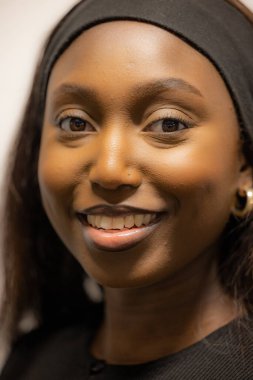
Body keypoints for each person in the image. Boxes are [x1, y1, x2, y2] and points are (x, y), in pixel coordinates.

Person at [0, 0, 253, 378]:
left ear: (245, 166)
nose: (110, 170)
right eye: (74, 123)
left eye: (167, 124)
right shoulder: (33, 359)